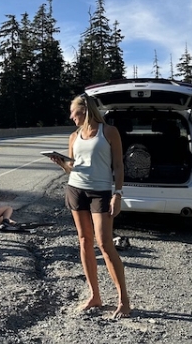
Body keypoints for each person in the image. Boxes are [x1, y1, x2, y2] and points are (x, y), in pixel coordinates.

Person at [47, 93, 130, 318]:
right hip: (76, 189)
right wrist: (62, 164)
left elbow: (118, 166)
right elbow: (72, 167)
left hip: (100, 192)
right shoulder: (74, 137)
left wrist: (118, 194)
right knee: (84, 240)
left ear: (84, 110)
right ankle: (95, 295)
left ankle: (124, 300)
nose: (71, 117)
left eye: (73, 112)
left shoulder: (109, 132)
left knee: (105, 244)